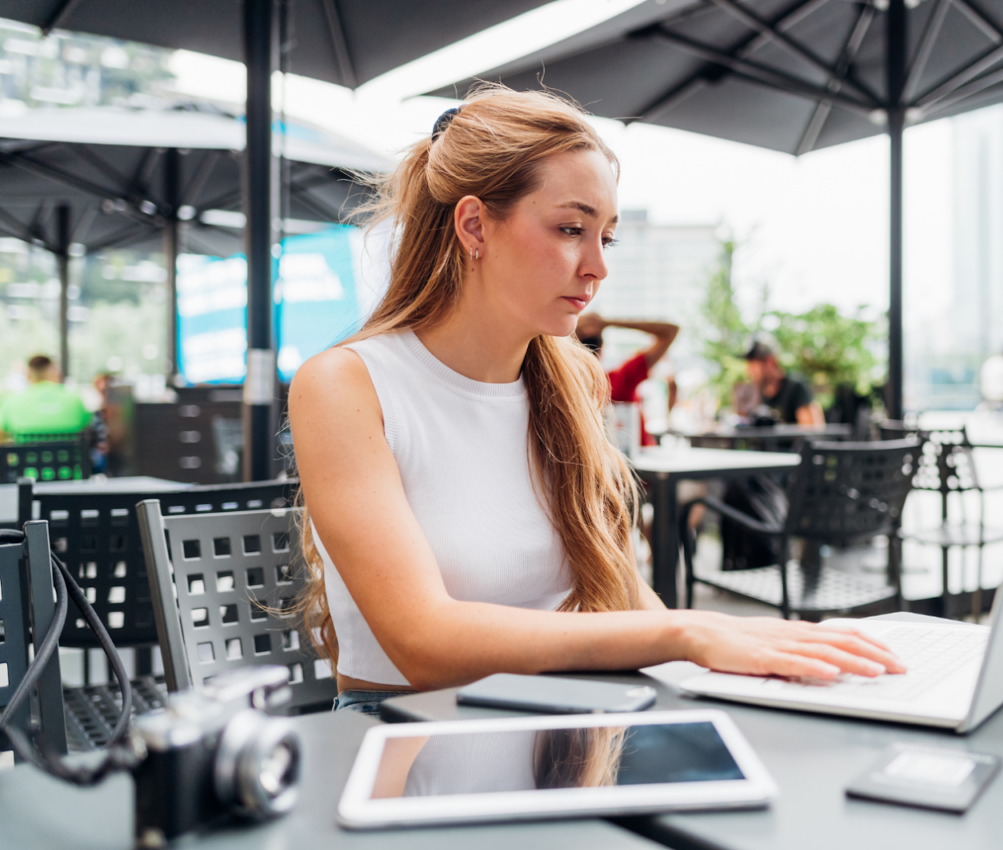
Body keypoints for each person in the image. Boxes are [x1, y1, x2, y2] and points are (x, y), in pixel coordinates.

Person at [287, 86, 903, 717]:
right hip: (404, 743)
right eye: (571, 229)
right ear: (474, 225)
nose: (597, 266)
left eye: (605, 237)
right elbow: (425, 644)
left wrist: (742, 676)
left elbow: (625, 592)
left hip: (560, 730)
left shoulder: (568, 384)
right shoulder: (346, 385)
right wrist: (689, 633)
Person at [575, 312, 678, 446]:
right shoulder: (619, 379)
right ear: (602, 347)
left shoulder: (565, 389)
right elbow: (670, 331)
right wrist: (607, 323)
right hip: (637, 462)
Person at [0, 355, 92, 441]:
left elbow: (2, 434)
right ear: (54, 372)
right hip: (71, 458)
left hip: (25, 457)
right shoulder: (74, 399)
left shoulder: (12, 401)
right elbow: (87, 426)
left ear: (28, 374)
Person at [742, 341, 825, 426]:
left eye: (752, 364)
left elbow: (811, 429)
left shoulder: (795, 387)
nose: (749, 371)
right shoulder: (762, 391)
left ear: (770, 361)